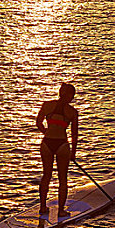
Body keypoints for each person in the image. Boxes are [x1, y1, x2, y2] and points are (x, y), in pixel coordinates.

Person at [36, 83, 78, 217]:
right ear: (69, 96)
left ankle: (43, 208)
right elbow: (74, 134)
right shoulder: (72, 112)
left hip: (47, 143)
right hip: (62, 145)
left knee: (46, 176)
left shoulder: (47, 105)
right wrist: (73, 154)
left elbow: (38, 123)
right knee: (62, 179)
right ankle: (61, 211)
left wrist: (46, 132)